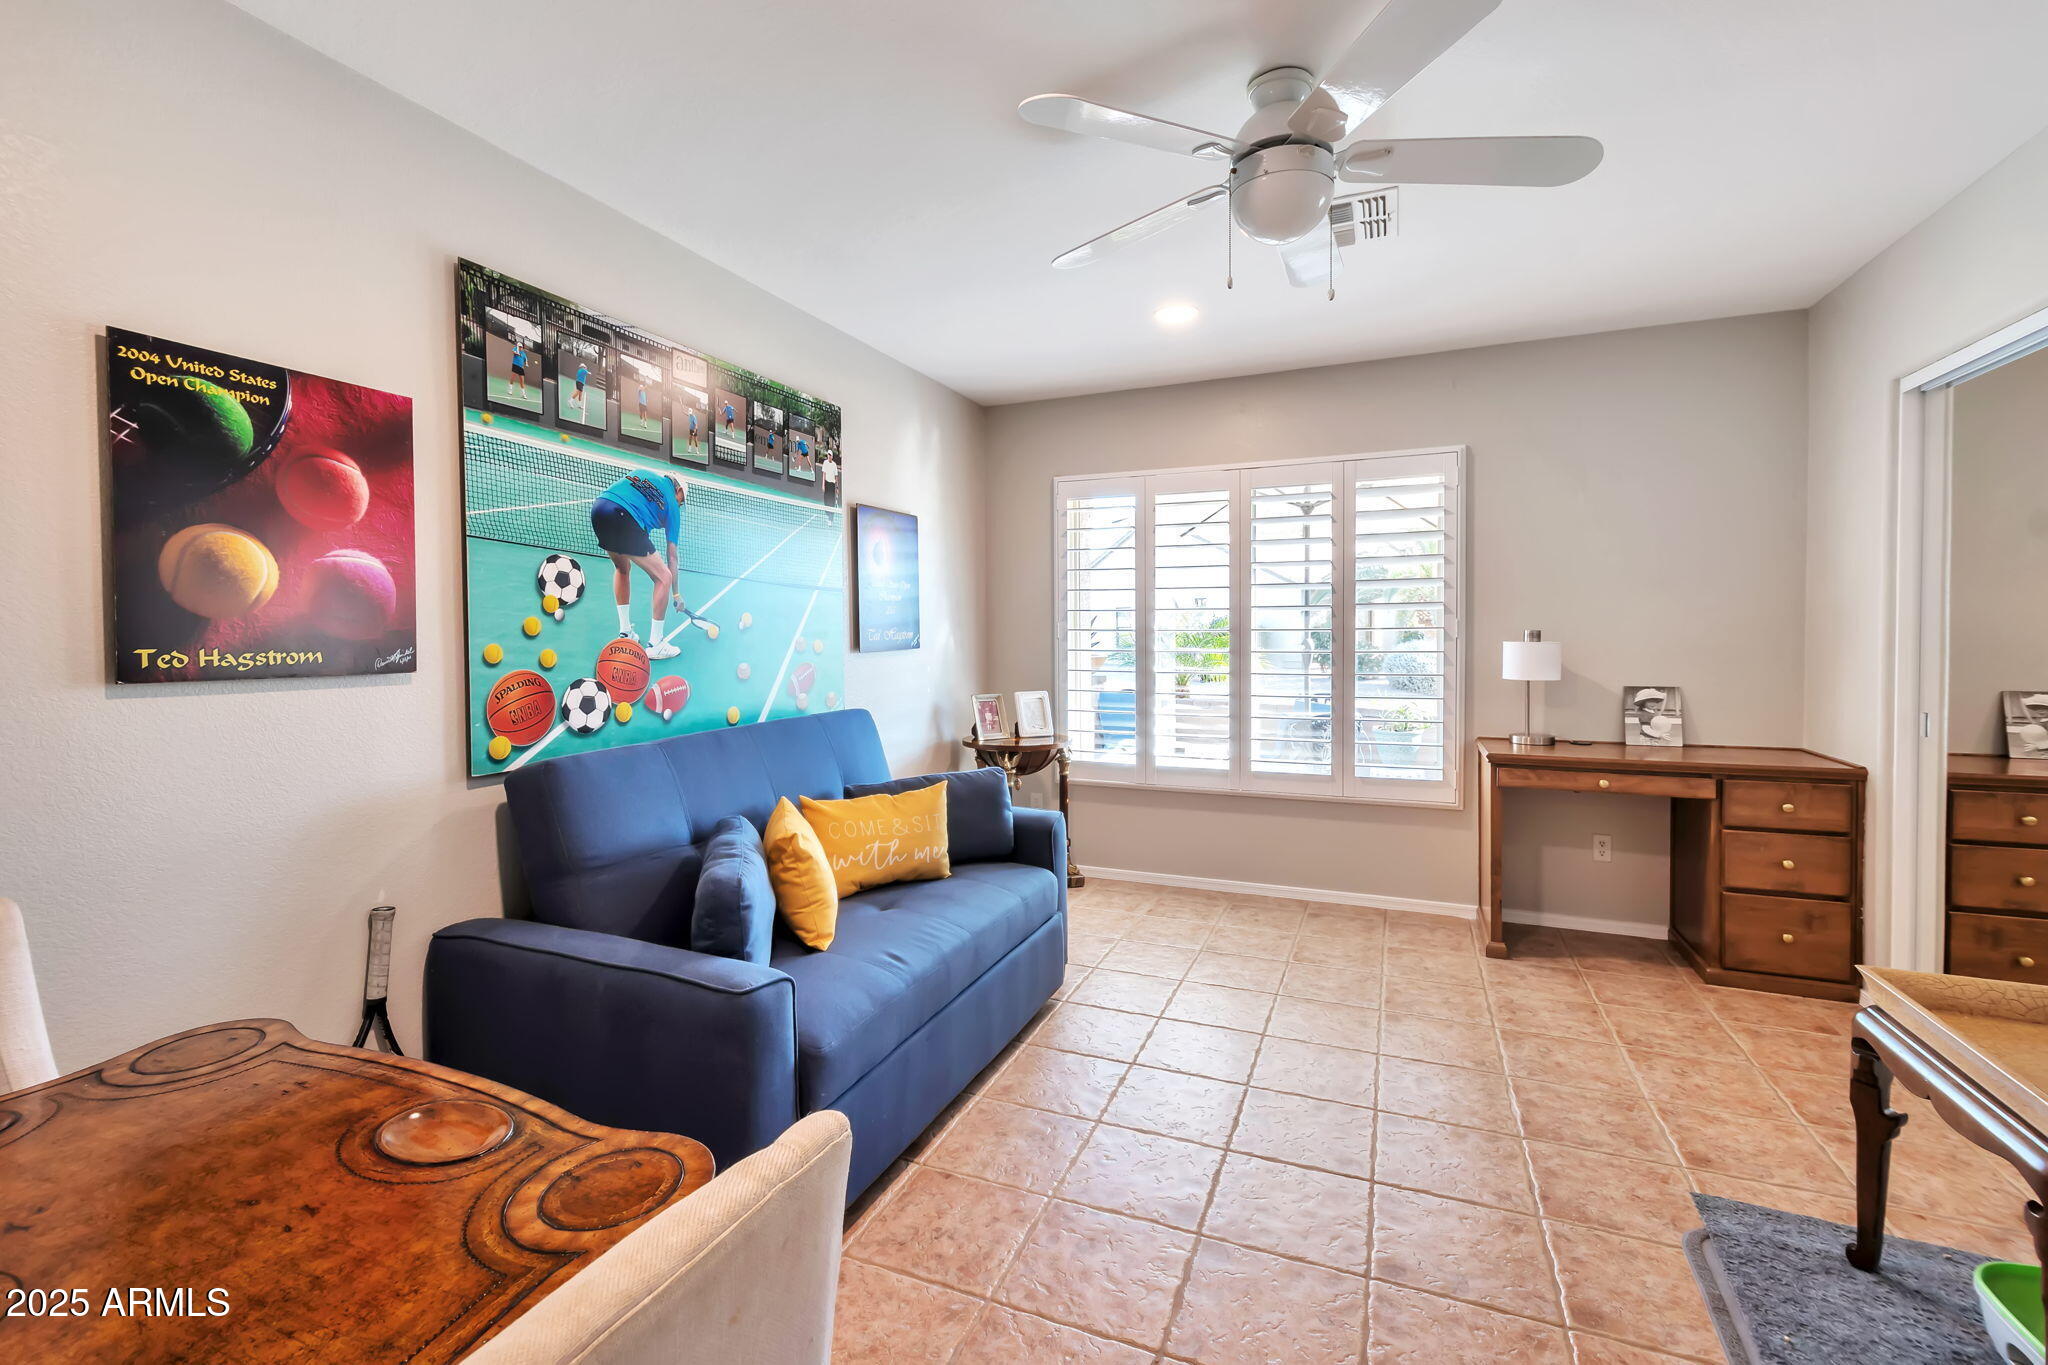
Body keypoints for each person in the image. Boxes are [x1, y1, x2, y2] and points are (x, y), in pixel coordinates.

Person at [589, 470, 688, 660]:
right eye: (681, 500)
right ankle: (656, 644)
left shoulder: (643, 473)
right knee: (664, 577)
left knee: (622, 568)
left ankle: (626, 633)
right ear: (678, 490)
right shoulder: (673, 507)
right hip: (623, 517)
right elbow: (672, 557)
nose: (679, 504)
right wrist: (676, 594)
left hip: (599, 509)